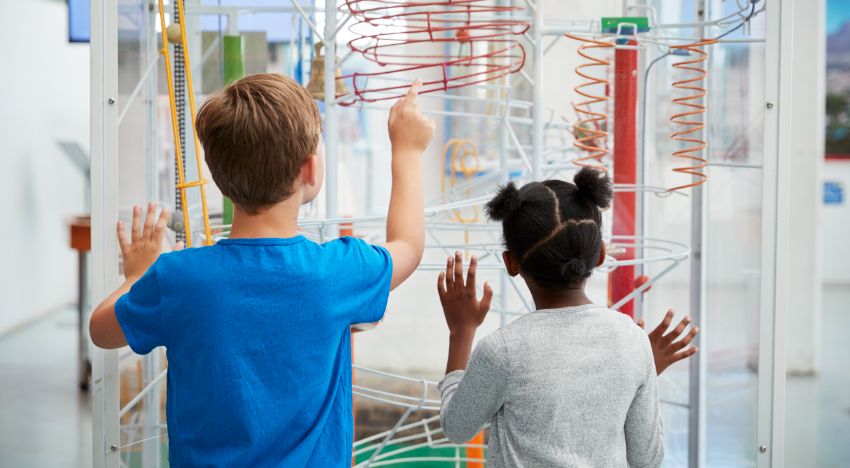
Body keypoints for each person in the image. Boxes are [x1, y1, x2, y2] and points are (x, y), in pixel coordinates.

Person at [89, 75, 435, 467]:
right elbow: (407, 246)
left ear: (218, 173)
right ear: (309, 169)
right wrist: (407, 151)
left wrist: (137, 274)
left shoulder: (178, 278)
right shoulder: (334, 273)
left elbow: (101, 330)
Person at [436, 167, 699, 468]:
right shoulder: (633, 342)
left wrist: (461, 331)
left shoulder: (502, 351)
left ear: (511, 263)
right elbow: (647, 459)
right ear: (600, 254)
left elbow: (457, 428)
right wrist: (644, 370)